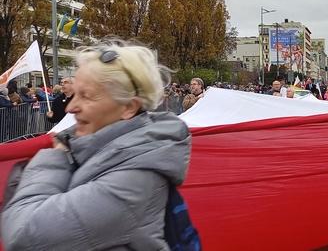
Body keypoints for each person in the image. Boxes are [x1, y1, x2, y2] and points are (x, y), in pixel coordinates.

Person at [2, 41, 192, 249]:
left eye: (87, 96)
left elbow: (22, 233)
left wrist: (54, 158)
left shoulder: (134, 179)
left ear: (128, 107)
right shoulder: (107, 150)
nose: (71, 107)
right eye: (74, 94)